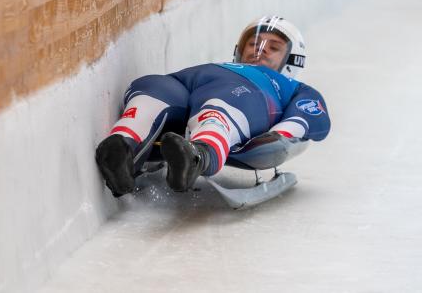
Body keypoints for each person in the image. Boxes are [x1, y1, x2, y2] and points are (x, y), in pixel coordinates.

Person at [95, 16, 331, 197]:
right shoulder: (225, 64)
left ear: (292, 60)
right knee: (152, 89)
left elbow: (309, 119)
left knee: (221, 105)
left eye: (274, 47)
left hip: (247, 92)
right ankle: (121, 147)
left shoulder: (292, 87)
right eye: (253, 43)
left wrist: (278, 137)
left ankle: (196, 156)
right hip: (188, 81)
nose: (259, 50)